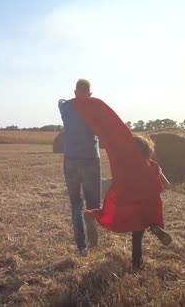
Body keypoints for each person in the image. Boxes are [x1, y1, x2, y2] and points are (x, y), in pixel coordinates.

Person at [58, 79, 101, 257]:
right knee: (93, 204)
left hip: (71, 160)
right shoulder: (95, 108)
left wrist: (73, 99)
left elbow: (60, 101)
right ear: (90, 94)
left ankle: (82, 248)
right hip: (91, 158)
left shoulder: (66, 108)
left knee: (76, 204)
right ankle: (93, 238)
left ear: (75, 92)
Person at [129, 135, 172, 270]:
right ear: (148, 149)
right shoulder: (154, 164)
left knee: (137, 235)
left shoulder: (129, 167)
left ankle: (137, 264)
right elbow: (167, 184)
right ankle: (155, 227)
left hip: (137, 202)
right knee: (152, 221)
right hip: (153, 201)